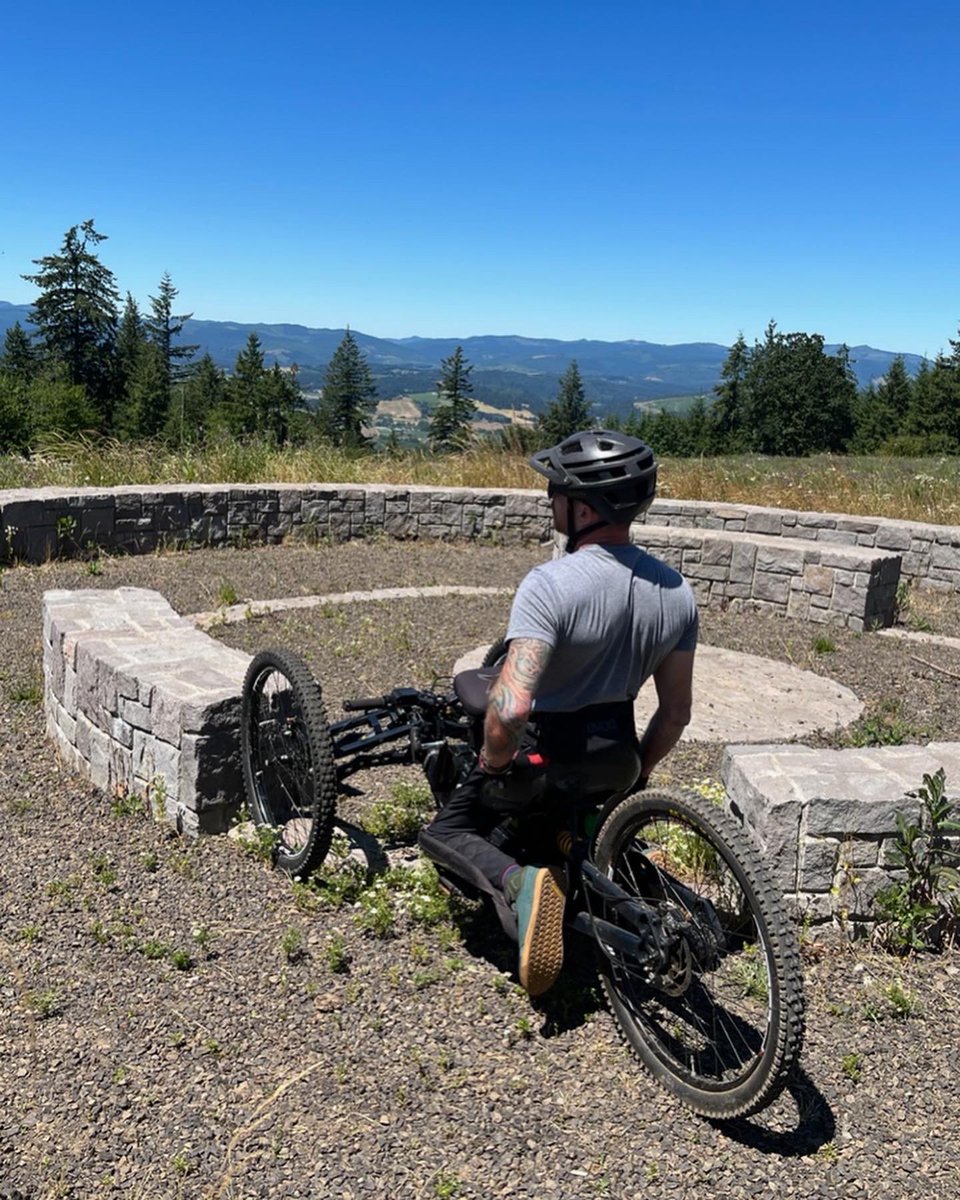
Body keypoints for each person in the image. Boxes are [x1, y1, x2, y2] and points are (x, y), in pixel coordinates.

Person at [419, 429, 698, 997]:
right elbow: (675, 715)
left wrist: (493, 766)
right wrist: (636, 775)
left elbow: (512, 705)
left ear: (583, 506)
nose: (549, 500)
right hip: (614, 758)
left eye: (555, 490)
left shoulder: (550, 585)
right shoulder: (676, 592)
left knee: (445, 829)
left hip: (544, 758)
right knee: (558, 810)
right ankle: (564, 850)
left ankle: (519, 882)